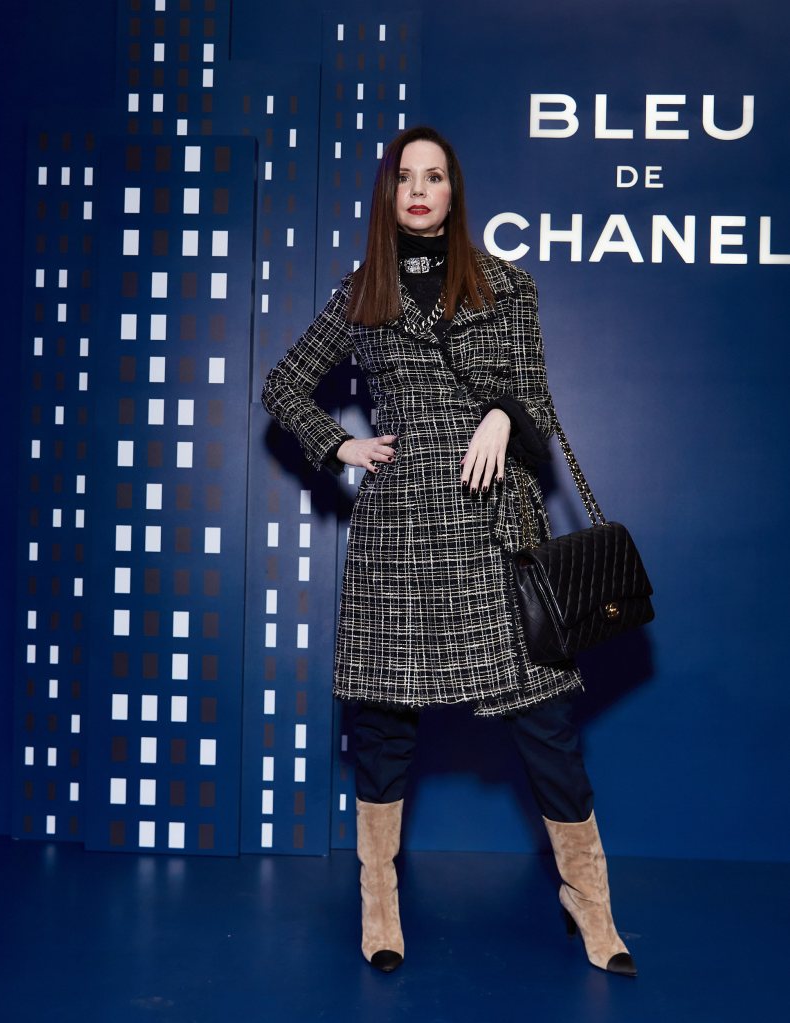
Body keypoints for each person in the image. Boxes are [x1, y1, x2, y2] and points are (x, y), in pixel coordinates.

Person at [261, 126, 637, 978]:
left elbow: (537, 397)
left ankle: (591, 902)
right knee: (383, 727)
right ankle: (380, 901)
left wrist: (504, 414)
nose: (421, 190)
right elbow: (283, 385)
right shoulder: (363, 292)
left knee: (547, 724)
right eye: (407, 178)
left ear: (454, 190)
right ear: (389, 194)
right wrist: (340, 444)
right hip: (399, 533)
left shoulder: (508, 283)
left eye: (435, 176)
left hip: (497, 531)